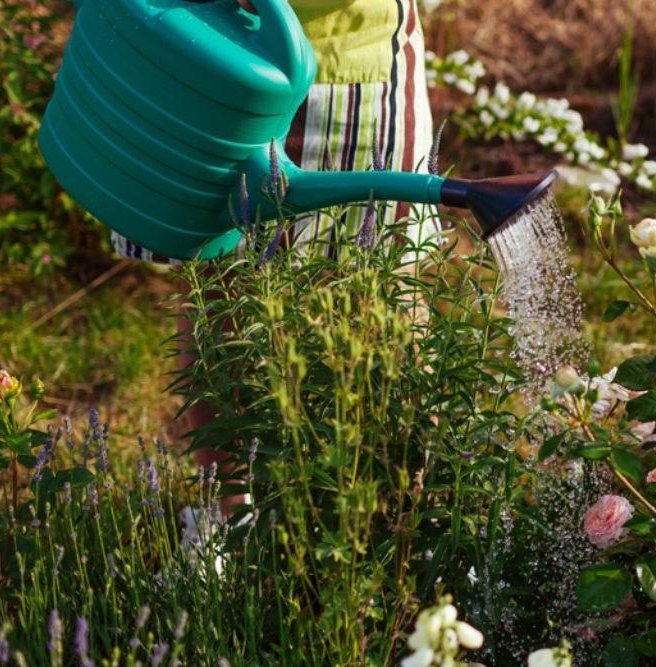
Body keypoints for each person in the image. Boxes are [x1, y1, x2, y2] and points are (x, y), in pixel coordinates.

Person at [110, 0, 438, 508]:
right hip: (215, 58)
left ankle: (406, 520)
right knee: (221, 291)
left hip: (362, 66)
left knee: (389, 293)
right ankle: (228, 514)